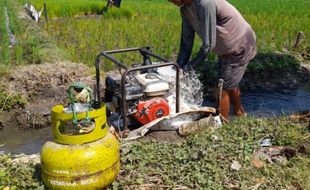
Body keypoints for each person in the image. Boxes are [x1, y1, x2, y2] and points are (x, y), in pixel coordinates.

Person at [168, 0, 257, 119]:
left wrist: (190, 67)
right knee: (229, 80)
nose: (171, 1)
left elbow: (208, 45)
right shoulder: (185, 9)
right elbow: (186, 42)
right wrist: (179, 66)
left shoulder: (206, 3)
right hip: (225, 49)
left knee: (222, 88)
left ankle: (221, 124)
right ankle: (240, 112)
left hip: (240, 44)